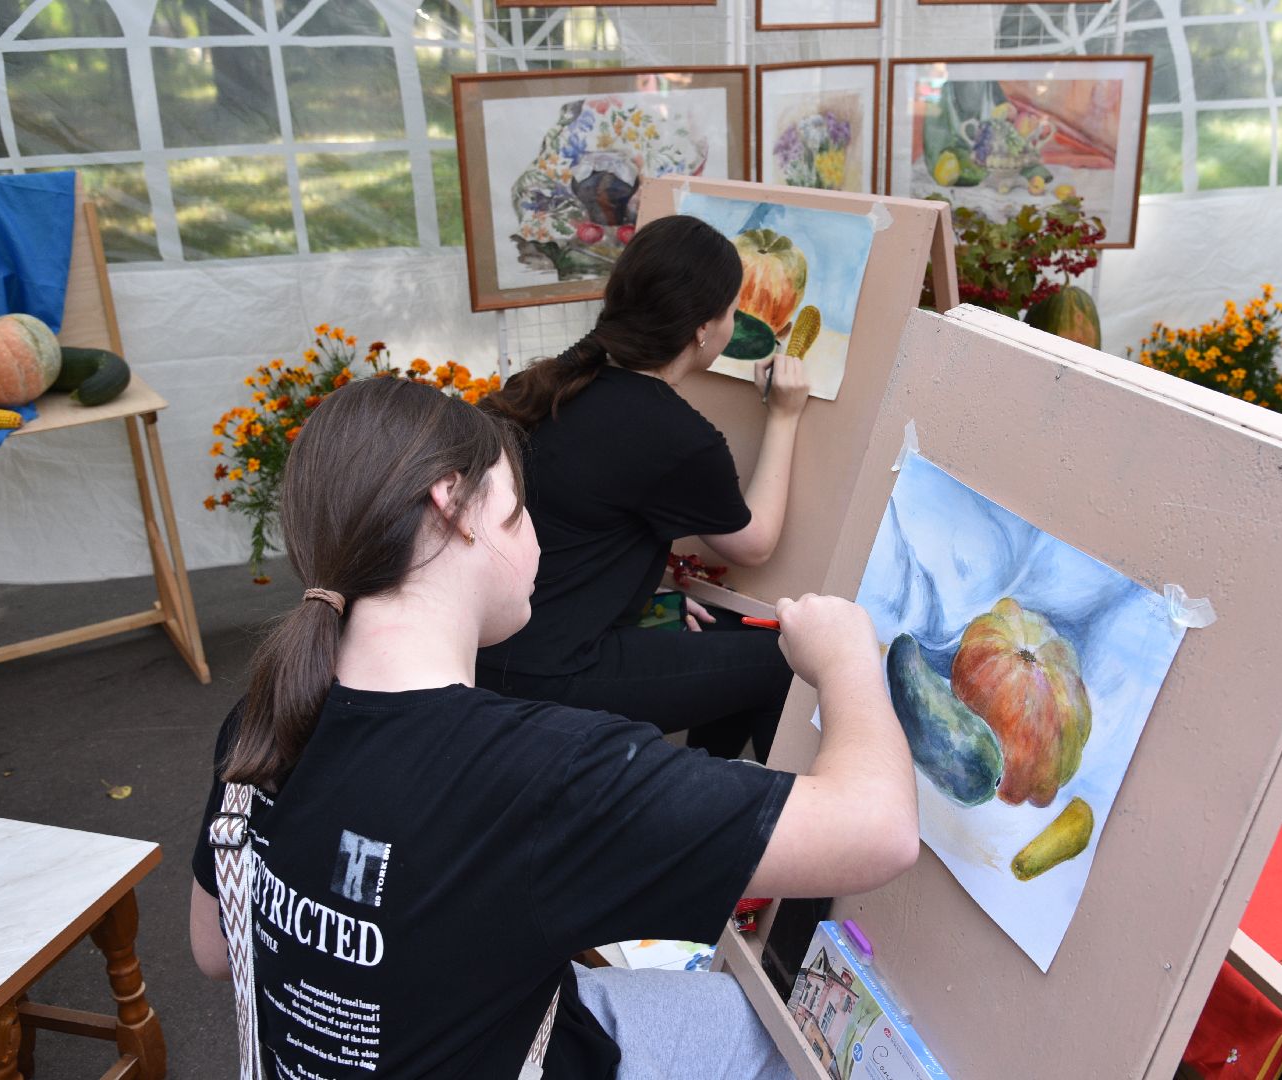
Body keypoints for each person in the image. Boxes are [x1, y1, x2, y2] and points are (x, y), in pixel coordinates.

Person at [188, 377, 919, 1079]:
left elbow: (217, 950)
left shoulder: (266, 713)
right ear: (451, 503)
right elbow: (879, 829)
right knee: (787, 1039)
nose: (536, 538)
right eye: (519, 505)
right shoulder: (537, 772)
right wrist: (848, 658)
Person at [476, 215, 810, 762]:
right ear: (704, 328)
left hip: (490, 648)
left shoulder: (551, 383)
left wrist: (648, 596)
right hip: (551, 674)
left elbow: (575, 526)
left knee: (719, 633)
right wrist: (785, 416)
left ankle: (710, 806)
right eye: (731, 311)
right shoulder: (671, 432)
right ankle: (787, 830)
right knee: (787, 662)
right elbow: (756, 543)